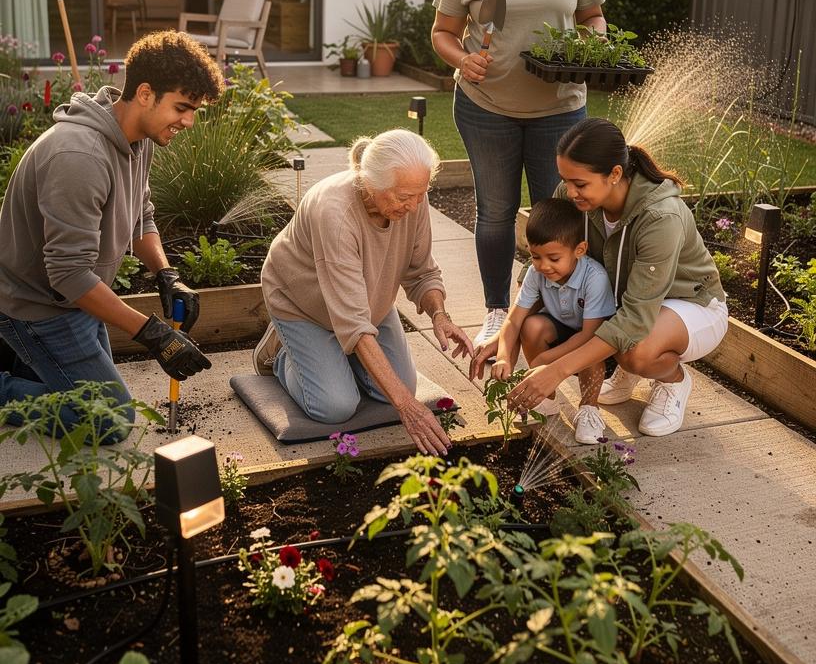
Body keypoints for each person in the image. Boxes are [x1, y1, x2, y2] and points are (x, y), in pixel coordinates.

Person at [0, 31, 224, 436]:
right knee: (109, 419)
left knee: (89, 394)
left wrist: (165, 274)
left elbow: (142, 215)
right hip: (34, 306)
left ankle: (25, 362)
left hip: (75, 301)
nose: (189, 121)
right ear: (144, 93)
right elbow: (67, 275)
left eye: (194, 110)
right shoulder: (79, 156)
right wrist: (152, 333)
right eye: (182, 107)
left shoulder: (137, 139)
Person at [431, 0, 606, 350]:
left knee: (556, 215)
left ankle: (550, 311)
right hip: (486, 106)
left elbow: (593, 17)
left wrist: (592, 46)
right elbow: (442, 32)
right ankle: (494, 311)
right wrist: (463, 60)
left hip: (560, 107)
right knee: (495, 211)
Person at [505, 118, 729, 438]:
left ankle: (672, 381)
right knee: (552, 320)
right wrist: (507, 334)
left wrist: (556, 370)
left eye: (580, 184)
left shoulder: (660, 216)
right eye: (565, 180)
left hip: (691, 304)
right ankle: (627, 368)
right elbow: (543, 260)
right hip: (632, 302)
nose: (569, 192)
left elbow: (636, 319)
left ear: (614, 174)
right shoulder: (573, 195)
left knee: (636, 350)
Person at [255, 129, 474, 456]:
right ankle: (280, 353)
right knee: (335, 406)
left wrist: (440, 314)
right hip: (303, 305)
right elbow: (354, 324)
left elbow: (421, 270)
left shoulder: (412, 196)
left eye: (421, 194)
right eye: (404, 197)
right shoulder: (335, 213)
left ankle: (335, 357)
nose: (413, 206)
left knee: (397, 387)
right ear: (372, 182)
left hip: (369, 300)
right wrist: (407, 408)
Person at [472, 198, 616, 443]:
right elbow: (514, 321)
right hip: (561, 329)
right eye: (535, 256)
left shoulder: (594, 278)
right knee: (532, 326)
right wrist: (506, 356)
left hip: (594, 341)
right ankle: (545, 398)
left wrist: (543, 361)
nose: (543, 266)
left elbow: (590, 335)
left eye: (553, 258)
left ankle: (589, 409)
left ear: (579, 250)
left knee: (590, 355)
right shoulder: (535, 273)